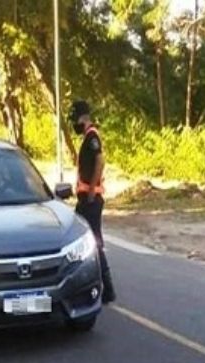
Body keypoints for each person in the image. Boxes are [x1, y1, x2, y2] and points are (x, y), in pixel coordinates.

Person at [69, 100, 116, 304]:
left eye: (75, 119)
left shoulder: (92, 136)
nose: (74, 124)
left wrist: (89, 191)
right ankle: (89, 284)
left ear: (83, 118)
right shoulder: (88, 137)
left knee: (93, 241)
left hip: (91, 199)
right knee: (82, 240)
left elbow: (100, 161)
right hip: (86, 198)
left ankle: (107, 288)